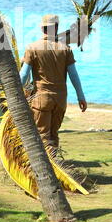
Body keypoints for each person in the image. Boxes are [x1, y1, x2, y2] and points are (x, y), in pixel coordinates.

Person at [19, 14, 87, 151]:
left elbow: (24, 75)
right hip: (60, 100)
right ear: (56, 28)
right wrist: (81, 96)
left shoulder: (32, 48)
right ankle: (54, 163)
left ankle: (46, 169)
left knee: (42, 137)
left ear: (42, 28)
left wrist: (15, 95)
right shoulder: (65, 49)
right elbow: (74, 75)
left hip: (41, 99)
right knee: (53, 136)